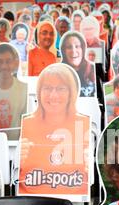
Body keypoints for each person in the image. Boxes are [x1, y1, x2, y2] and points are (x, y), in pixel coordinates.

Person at [19, 63, 90, 196]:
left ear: (71, 93)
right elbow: (14, 179)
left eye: (61, 89)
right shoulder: (25, 124)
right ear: (39, 92)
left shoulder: (84, 124)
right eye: (47, 88)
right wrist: (17, 163)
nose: (53, 95)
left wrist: (90, 166)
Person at [60, 31, 96, 97]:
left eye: (77, 46)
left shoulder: (93, 69)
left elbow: (107, 91)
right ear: (63, 51)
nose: (73, 51)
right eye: (69, 47)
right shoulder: (58, 72)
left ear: (83, 49)